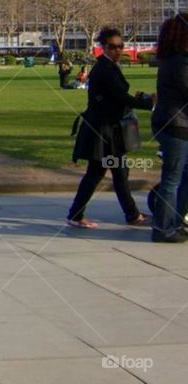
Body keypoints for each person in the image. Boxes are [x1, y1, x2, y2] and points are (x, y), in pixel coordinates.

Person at [67, 27, 154, 228]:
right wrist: (149, 103)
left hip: (107, 129)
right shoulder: (106, 69)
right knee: (103, 172)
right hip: (104, 130)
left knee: (114, 171)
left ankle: (130, 214)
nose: (118, 50)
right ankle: (77, 215)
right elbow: (121, 97)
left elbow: (117, 98)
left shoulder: (107, 67)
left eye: (120, 46)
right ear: (103, 47)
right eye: (113, 46)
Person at [149, 13, 188, 243]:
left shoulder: (174, 59)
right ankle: (163, 228)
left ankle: (172, 222)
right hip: (176, 126)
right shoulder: (179, 62)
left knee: (179, 177)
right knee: (172, 179)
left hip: (175, 124)